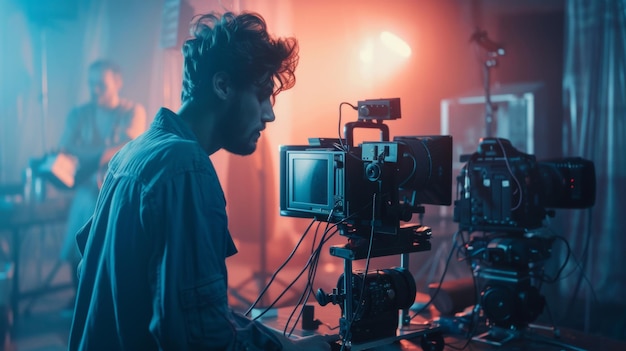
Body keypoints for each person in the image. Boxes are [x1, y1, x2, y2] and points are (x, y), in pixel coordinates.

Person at [68, 11, 335, 351]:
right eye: (262, 95)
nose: (269, 114)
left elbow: (97, 275)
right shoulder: (185, 168)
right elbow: (200, 336)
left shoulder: (134, 151)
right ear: (223, 85)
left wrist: (273, 340)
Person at [58, 59, 146, 293]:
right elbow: (63, 148)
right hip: (86, 194)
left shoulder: (133, 112)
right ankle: (79, 300)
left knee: (113, 254)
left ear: (118, 83)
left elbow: (125, 148)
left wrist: (85, 153)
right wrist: (99, 156)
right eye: (91, 84)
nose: (94, 90)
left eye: (101, 85)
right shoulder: (79, 114)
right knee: (75, 249)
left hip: (118, 197)